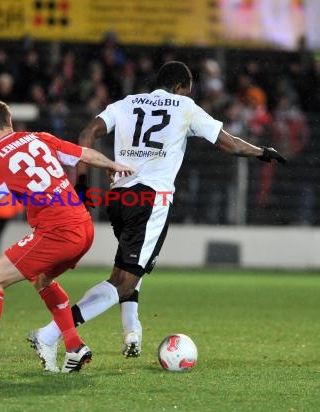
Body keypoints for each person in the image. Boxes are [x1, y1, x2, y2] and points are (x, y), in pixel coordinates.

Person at [30, 61, 286, 366]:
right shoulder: (185, 106)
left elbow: (86, 134)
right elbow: (227, 143)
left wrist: (83, 182)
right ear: (180, 87)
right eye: (187, 90)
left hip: (119, 196)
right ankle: (50, 334)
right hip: (151, 199)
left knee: (128, 269)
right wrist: (261, 152)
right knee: (124, 280)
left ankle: (132, 332)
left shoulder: (127, 103)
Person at [0, 100, 132, 374]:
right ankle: (75, 347)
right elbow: (85, 154)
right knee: (42, 279)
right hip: (83, 226)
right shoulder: (39, 138)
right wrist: (113, 164)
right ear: (10, 121)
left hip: (57, 231)